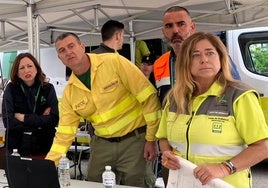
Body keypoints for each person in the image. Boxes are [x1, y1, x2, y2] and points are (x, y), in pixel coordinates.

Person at [45, 32, 161, 187]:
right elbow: (64, 133)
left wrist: (151, 139)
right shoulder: (70, 92)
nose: (68, 52)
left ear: (82, 47)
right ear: (60, 58)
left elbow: (149, 97)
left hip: (134, 141)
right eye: (62, 51)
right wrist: (48, 166)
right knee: (94, 184)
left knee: (137, 184)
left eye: (71, 46)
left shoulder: (113, 62)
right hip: (101, 145)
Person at [156, 32, 268, 188]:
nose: (204, 59)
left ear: (221, 58)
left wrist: (223, 168)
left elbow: (263, 147)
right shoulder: (174, 98)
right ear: (185, 62)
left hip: (225, 184)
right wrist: (166, 153)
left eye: (210, 53)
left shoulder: (239, 95)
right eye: (195, 55)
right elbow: (163, 138)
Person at [93, 20, 157, 188]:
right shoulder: (120, 62)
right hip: (133, 141)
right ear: (119, 35)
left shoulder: (88, 64)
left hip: (101, 141)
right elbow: (150, 99)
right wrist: (151, 138)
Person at [154, 6, 241, 104]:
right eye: (169, 26)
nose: (175, 30)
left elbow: (235, 92)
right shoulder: (159, 63)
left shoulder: (214, 58)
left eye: (181, 24)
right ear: (163, 32)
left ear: (192, 27)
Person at [2, 52, 59, 158]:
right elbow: (8, 121)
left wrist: (23, 117)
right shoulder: (11, 89)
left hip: (44, 145)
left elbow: (54, 119)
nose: (26, 70)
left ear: (36, 68)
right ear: (17, 72)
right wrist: (39, 123)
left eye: (29, 66)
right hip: (17, 147)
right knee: (17, 174)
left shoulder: (48, 88)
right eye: (22, 68)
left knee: (43, 174)